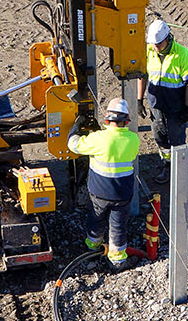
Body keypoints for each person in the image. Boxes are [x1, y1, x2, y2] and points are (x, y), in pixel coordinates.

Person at [67, 97, 141, 270]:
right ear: (126, 120)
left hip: (98, 192)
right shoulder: (133, 139)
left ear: (107, 118)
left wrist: (75, 128)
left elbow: (73, 145)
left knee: (95, 219)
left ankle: (92, 249)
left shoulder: (97, 139)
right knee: (118, 225)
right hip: (122, 193)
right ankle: (117, 260)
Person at [135, 20, 188, 163]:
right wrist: (139, 100)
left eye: (158, 44)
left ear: (167, 38)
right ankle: (167, 165)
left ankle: (180, 170)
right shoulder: (148, 51)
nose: (155, 47)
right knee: (160, 138)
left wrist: (187, 108)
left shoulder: (183, 55)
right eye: (153, 44)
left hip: (176, 108)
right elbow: (142, 76)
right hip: (156, 106)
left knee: (177, 140)